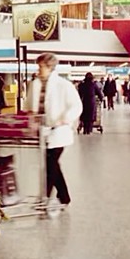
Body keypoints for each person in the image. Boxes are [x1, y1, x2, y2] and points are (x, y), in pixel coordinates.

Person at [24, 53, 82, 207]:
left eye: (41, 66)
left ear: (50, 67)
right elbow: (29, 107)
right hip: (42, 132)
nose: (39, 69)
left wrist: (65, 118)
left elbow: (76, 106)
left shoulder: (63, 85)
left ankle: (46, 198)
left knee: (50, 164)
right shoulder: (34, 84)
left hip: (58, 131)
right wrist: (31, 121)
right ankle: (61, 197)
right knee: (50, 164)